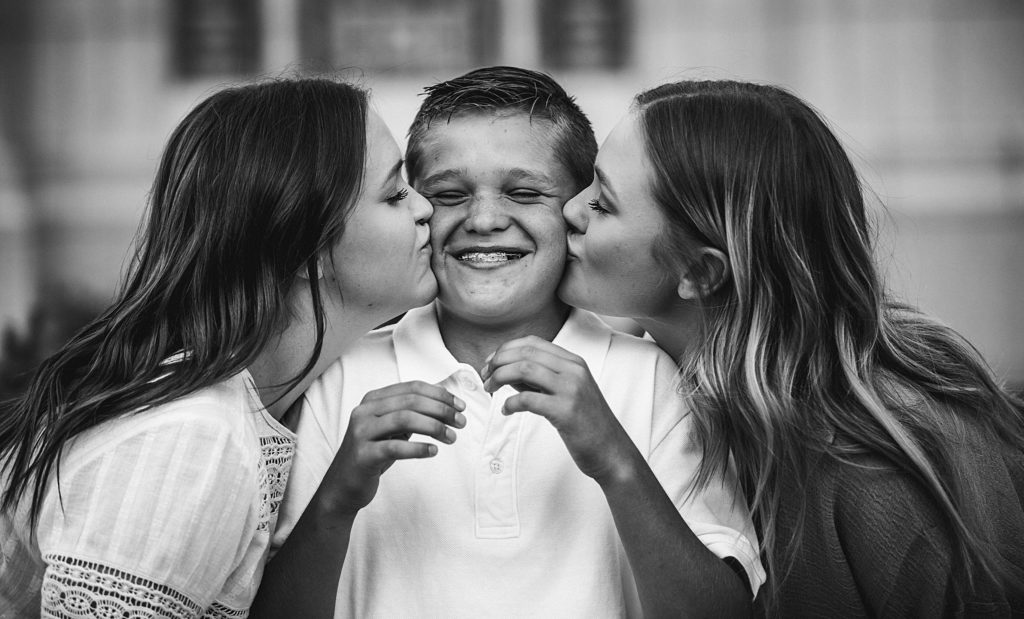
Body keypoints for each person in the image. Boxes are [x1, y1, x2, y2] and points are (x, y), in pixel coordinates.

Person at [259, 66, 764, 618]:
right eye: (449, 193)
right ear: (419, 211)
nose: (484, 219)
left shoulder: (653, 379)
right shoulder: (343, 378)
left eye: (523, 193)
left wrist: (616, 462)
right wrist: (335, 500)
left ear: (577, 213)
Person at [554, 78, 1024, 617]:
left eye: (604, 203)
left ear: (701, 271)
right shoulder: (652, 393)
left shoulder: (882, 470)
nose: (570, 208)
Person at [0, 77, 466, 617]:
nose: (425, 209)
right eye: (393, 194)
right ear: (307, 246)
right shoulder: (189, 438)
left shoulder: (250, 405)